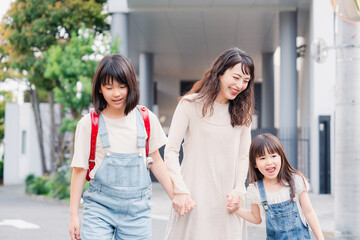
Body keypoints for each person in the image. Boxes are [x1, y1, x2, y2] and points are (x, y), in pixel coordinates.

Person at [68, 54, 174, 240]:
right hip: (99, 209)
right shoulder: (88, 124)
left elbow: (156, 161)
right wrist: (73, 216)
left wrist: (177, 196)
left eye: (122, 86)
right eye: (109, 88)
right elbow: (79, 170)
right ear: (100, 89)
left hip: (137, 213)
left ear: (131, 85)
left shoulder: (146, 119)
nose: (116, 93)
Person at [164, 48, 255, 240]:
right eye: (236, 77)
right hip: (193, 198)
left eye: (246, 81)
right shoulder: (190, 104)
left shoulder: (243, 115)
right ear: (220, 72)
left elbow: (243, 156)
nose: (240, 85)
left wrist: (239, 191)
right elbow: (170, 150)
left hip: (227, 203)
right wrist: (180, 190)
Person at [236, 133, 324, 240]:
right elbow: (256, 218)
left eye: (273, 156)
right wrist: (237, 209)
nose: (269, 162)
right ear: (255, 163)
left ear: (281, 157)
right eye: (262, 158)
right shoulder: (256, 190)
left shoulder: (295, 181)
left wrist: (320, 238)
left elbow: (308, 212)